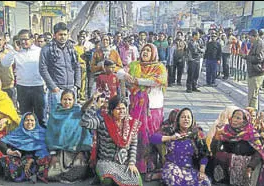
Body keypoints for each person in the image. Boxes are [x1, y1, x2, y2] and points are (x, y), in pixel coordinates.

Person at [122, 43, 167, 176]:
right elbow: (119, 72)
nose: (145, 52)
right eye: (143, 50)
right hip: (136, 106)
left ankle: (151, 163)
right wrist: (126, 76)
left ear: (153, 53)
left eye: (148, 50)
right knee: (137, 133)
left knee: (152, 134)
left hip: (153, 107)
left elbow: (158, 81)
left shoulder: (159, 67)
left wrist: (137, 81)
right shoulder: (134, 65)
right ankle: (136, 163)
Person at [80, 95, 142, 186]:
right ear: (111, 110)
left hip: (123, 163)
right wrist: (95, 107)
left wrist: (132, 163)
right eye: (118, 109)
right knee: (108, 181)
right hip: (105, 161)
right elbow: (84, 122)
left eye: (123, 108)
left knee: (137, 182)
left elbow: (133, 146)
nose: (121, 111)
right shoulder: (103, 122)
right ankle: (100, 177)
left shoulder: (131, 124)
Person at [150, 108, 211, 185]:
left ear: (192, 120)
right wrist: (171, 138)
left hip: (189, 168)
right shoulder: (171, 131)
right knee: (174, 177)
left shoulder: (197, 134)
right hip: (172, 167)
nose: (186, 119)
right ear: (178, 120)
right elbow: (153, 138)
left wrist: (202, 172)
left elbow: (204, 154)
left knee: (205, 182)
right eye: (183, 117)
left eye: (188, 117)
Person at [211, 109, 264, 186]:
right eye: (233, 117)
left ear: (245, 121)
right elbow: (214, 151)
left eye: (238, 118)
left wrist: (250, 168)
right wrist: (216, 137)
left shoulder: (252, 133)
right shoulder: (226, 130)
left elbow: (259, 152)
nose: (234, 120)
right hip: (228, 165)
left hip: (248, 165)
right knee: (218, 156)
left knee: (258, 164)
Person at [45, 89, 93, 182]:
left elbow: (84, 134)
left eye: (70, 99)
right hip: (60, 151)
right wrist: (53, 154)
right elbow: (50, 135)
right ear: (61, 100)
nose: (67, 102)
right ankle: (66, 176)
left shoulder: (78, 112)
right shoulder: (55, 113)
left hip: (76, 150)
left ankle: (69, 175)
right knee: (51, 174)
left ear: (74, 100)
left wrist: (82, 151)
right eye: (65, 99)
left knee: (80, 169)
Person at [2, 29, 46, 126]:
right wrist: (14, 50)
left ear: (32, 39)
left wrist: (46, 85)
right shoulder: (16, 52)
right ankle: (27, 138)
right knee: (25, 116)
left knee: (41, 116)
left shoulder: (40, 51)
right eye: (21, 39)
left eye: (26, 39)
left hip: (38, 86)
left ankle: (41, 137)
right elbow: (4, 64)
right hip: (22, 87)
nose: (23, 42)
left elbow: (46, 68)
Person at [0, 112, 51, 183]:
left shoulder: (42, 133)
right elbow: (0, 143)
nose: (29, 122)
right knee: (7, 160)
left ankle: (35, 173)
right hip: (22, 158)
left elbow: (47, 148)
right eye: (27, 120)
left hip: (37, 158)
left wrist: (33, 159)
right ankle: (31, 174)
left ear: (36, 122)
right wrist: (10, 151)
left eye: (32, 120)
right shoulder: (17, 133)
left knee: (45, 159)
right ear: (22, 122)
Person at [39, 22, 81, 112]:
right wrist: (53, 87)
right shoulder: (47, 49)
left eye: (65, 34)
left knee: (71, 117)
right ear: (55, 35)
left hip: (71, 89)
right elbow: (43, 69)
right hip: (57, 90)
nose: (63, 37)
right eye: (60, 34)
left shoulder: (71, 48)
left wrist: (77, 85)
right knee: (56, 118)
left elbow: (77, 66)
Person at [240, 29, 264, 110]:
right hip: (253, 71)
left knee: (253, 96)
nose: (249, 40)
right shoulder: (256, 43)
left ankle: (252, 113)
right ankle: (251, 111)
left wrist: (245, 56)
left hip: (257, 72)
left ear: (255, 36)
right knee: (252, 94)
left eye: (250, 38)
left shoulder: (260, 44)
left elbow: (259, 58)